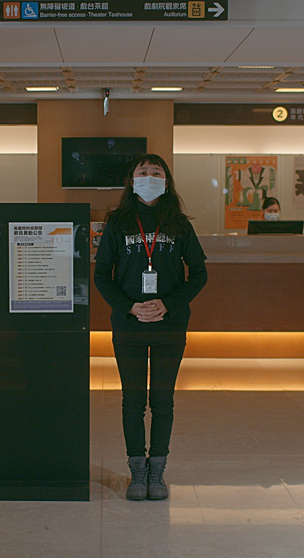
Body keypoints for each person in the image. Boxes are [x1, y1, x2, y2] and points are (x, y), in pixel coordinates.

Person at [94, 154, 208, 501]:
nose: (149, 177)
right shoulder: (117, 223)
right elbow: (101, 276)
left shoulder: (179, 224)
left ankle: (157, 471)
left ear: (166, 181)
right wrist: (129, 306)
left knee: (162, 401)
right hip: (128, 325)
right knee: (132, 401)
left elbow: (199, 274)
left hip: (169, 326)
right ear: (132, 181)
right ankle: (137, 472)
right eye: (142, 172)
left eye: (156, 172)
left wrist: (168, 304)